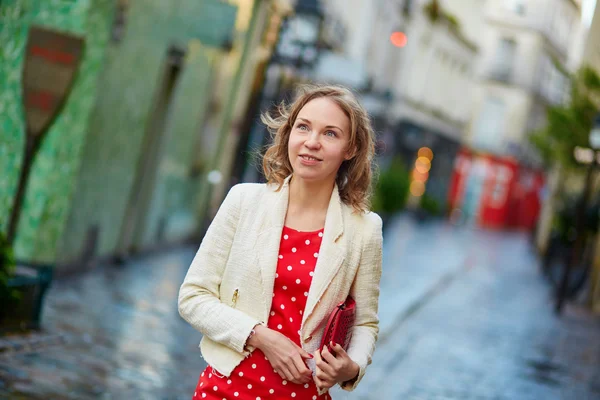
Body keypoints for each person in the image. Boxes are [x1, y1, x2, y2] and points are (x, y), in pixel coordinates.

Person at [178, 84, 383, 400]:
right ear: (289, 134)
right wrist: (261, 337)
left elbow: (365, 324)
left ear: (350, 149)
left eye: (330, 134)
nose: (311, 142)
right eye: (303, 127)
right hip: (225, 389)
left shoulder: (364, 230)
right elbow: (193, 297)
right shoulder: (243, 201)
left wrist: (350, 368)